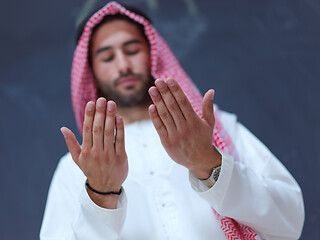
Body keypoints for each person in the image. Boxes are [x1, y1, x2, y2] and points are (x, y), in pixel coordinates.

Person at [40, 1, 304, 239]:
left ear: (153, 54)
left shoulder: (211, 129)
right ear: (91, 73)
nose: (123, 66)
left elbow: (289, 222)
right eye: (107, 57)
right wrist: (101, 194)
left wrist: (207, 162)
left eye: (132, 50)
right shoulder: (78, 167)